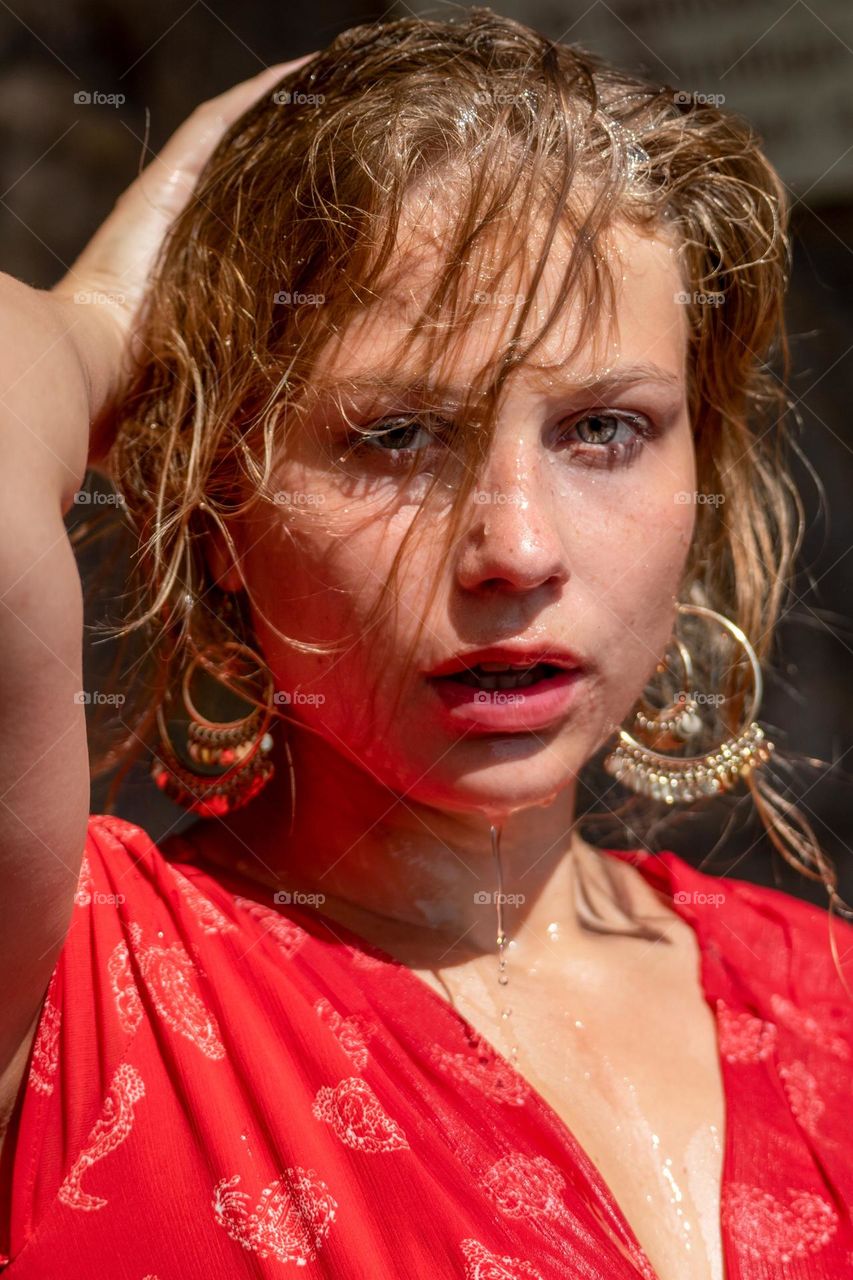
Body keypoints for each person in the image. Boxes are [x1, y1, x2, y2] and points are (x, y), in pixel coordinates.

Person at [0, 11, 850, 1279]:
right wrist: (104, 317)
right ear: (216, 507)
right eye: (395, 436)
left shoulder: (825, 997)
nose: (515, 547)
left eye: (605, 430)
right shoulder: (73, 973)